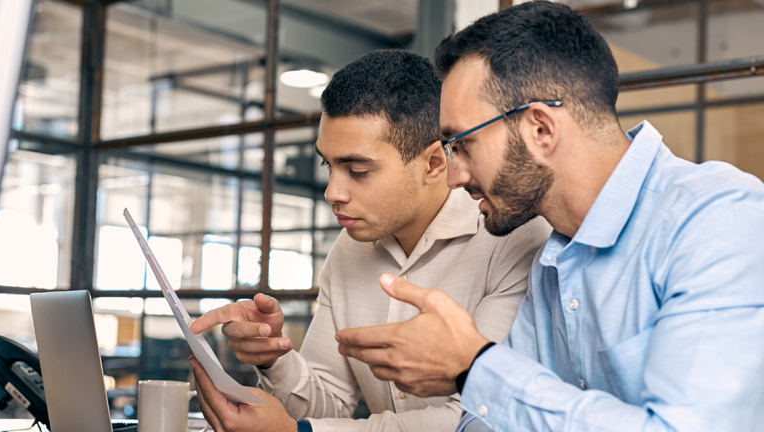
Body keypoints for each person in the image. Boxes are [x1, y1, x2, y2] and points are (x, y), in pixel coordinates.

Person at [334, 2, 764, 432]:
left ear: (540, 129)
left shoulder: (718, 217)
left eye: (462, 144)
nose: (454, 176)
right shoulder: (552, 260)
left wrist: (474, 367)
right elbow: (483, 423)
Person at [188, 49, 551, 432]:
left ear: (433, 163)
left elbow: (479, 415)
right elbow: (329, 403)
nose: (332, 192)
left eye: (357, 170)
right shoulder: (349, 247)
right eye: (329, 165)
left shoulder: (510, 236)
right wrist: (273, 357)